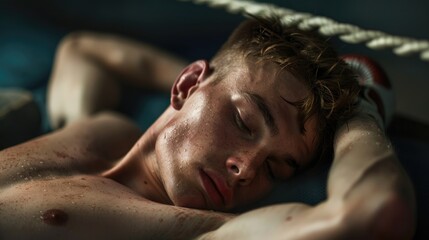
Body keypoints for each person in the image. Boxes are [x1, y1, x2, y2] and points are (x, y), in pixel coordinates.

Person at [0, 16, 415, 239]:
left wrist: (360, 116)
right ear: (184, 84)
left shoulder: (192, 231)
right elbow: (83, 51)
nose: (248, 168)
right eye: (245, 122)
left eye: (276, 169)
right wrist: (205, 83)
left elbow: (373, 214)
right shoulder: (100, 128)